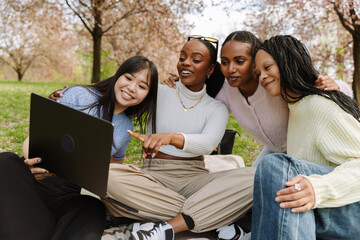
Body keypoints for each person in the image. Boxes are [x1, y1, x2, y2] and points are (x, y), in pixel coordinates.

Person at [100, 36, 256, 240]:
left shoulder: (216, 108)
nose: (186, 63)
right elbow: (120, 96)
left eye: (196, 59)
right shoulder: (158, 91)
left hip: (195, 179)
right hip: (152, 177)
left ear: (210, 69)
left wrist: (171, 138)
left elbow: (209, 144)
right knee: (105, 176)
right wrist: (71, 96)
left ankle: (163, 223)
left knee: (254, 176)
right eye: (183, 57)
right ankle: (212, 215)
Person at [0, 56, 158, 240]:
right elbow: (35, 138)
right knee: (6, 161)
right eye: (129, 78)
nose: (131, 88)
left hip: (66, 193)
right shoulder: (79, 94)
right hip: (34, 178)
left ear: (147, 95)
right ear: (118, 76)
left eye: (142, 86)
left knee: (93, 208)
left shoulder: (125, 129)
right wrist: (33, 163)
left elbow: (113, 171)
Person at [163, 31, 353, 167]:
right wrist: (180, 86)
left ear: (255, 63)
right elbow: (200, 110)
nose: (230, 69)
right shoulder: (226, 92)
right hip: (271, 150)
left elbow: (314, 85)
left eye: (239, 61)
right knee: (250, 189)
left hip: (302, 147)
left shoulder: (273, 82)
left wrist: (336, 85)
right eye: (225, 62)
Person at [251, 35, 360, 239]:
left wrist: (318, 188)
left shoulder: (318, 105)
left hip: (352, 207)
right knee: (273, 173)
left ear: (288, 61)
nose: (262, 77)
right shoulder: (295, 111)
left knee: (277, 167)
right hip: (327, 210)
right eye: (258, 73)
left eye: (268, 67)